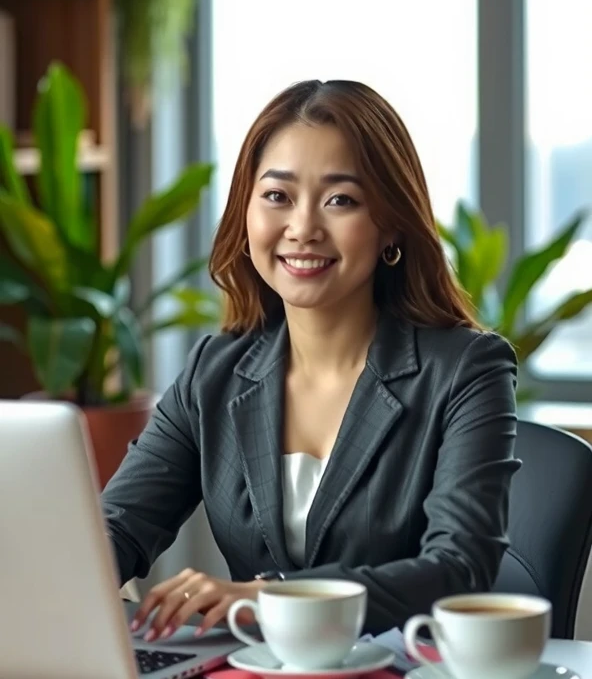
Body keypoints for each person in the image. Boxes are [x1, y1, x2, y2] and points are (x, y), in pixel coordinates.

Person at [102, 79, 519, 642]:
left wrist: (270, 597)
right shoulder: (215, 372)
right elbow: (118, 527)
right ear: (245, 213)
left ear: (390, 223)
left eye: (340, 200)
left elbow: (458, 569)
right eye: (277, 196)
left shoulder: (467, 369)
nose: (302, 228)